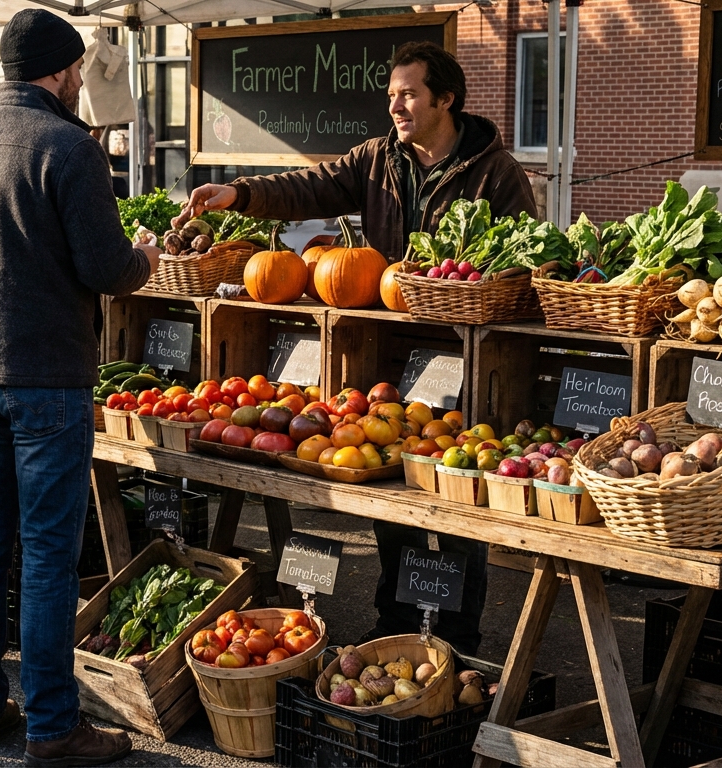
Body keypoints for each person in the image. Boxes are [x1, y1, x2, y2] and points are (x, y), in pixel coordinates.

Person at [175, 41, 536, 656]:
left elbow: (527, 256)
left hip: (465, 349)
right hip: (396, 350)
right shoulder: (376, 159)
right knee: (390, 487)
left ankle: (456, 633)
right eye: (391, 94)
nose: (395, 104)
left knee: (452, 494)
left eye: (408, 94)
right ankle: (394, 619)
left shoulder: (494, 171)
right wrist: (238, 193)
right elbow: (309, 187)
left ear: (444, 99)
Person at [0, 9, 160, 765]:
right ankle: (54, 727)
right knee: (49, 553)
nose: (83, 80)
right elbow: (106, 269)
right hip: (46, 377)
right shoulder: (70, 147)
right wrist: (144, 256)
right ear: (59, 71)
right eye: (79, 70)